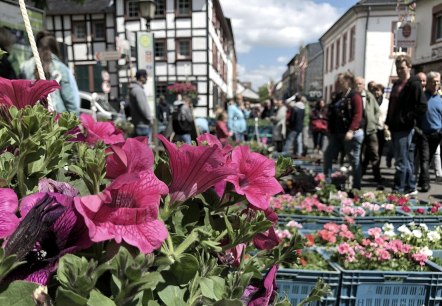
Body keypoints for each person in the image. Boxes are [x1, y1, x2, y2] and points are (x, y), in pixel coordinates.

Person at [385, 55, 427, 195]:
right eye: (397, 68)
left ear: (409, 66)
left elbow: (421, 106)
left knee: (401, 161)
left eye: (402, 68)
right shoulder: (397, 84)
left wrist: (407, 119)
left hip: (405, 127)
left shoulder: (414, 84)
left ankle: (399, 189)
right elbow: (392, 105)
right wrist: (387, 121)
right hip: (395, 126)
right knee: (405, 159)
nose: (399, 71)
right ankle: (410, 186)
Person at [21, 31, 79, 114]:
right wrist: (75, 120)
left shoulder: (25, 67)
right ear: (55, 48)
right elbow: (69, 99)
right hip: (57, 117)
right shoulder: (61, 68)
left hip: (32, 116)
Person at [323, 72, 365, 191]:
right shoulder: (338, 96)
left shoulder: (354, 96)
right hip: (337, 133)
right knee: (328, 156)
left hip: (351, 134)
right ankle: (327, 183)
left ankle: (356, 186)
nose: (338, 83)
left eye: (340, 81)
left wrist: (351, 130)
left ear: (347, 81)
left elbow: (358, 115)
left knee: (354, 159)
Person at [415, 71, 442, 192]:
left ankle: (422, 179)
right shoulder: (422, 96)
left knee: (429, 158)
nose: (436, 84)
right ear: (428, 83)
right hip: (424, 133)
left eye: (437, 81)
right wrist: (418, 130)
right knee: (424, 159)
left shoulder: (440, 98)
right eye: (433, 82)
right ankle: (425, 183)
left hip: (437, 134)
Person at [355, 76, 383, 190]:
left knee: (374, 155)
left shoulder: (369, 96)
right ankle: (357, 179)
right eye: (357, 84)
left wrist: (374, 121)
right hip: (358, 130)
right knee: (357, 155)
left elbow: (377, 111)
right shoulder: (353, 96)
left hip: (371, 130)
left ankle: (378, 180)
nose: (359, 86)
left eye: (361, 84)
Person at [372, 83, 391, 169]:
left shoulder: (387, 102)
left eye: (378, 90)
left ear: (382, 92)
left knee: (380, 150)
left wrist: (387, 125)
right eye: (375, 90)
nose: (376, 92)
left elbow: (389, 114)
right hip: (372, 128)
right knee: (372, 150)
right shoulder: (371, 101)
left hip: (382, 128)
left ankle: (376, 168)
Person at [129, 69, 152, 137]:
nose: (146, 79)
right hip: (142, 124)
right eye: (145, 77)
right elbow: (143, 106)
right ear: (141, 77)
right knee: (145, 146)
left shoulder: (134, 89)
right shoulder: (138, 90)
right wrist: (149, 118)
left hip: (138, 123)